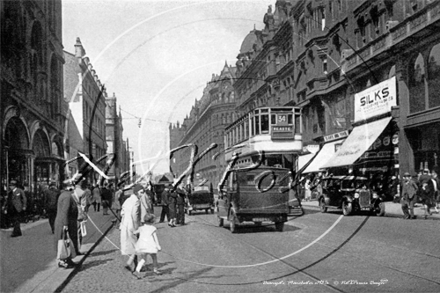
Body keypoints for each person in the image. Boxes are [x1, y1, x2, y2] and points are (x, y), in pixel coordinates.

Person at [54, 183, 79, 268]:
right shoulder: (67, 196)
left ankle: (68, 259)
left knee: (66, 241)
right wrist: (65, 224)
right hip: (63, 222)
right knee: (64, 242)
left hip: (63, 221)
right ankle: (64, 260)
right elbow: (65, 210)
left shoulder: (64, 195)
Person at [133, 214, 162, 279]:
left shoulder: (141, 228)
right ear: (152, 221)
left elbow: (135, 232)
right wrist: (158, 246)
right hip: (150, 245)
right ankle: (155, 269)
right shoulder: (153, 228)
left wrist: (133, 232)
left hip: (142, 245)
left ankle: (137, 270)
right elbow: (155, 238)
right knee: (154, 257)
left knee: (143, 259)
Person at [120, 184, 142, 272]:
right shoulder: (136, 201)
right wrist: (137, 228)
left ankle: (134, 264)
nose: (142, 194)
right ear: (136, 192)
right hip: (132, 225)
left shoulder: (128, 200)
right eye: (141, 192)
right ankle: (130, 263)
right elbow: (135, 215)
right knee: (137, 246)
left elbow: (122, 212)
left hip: (125, 224)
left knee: (132, 245)